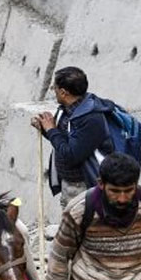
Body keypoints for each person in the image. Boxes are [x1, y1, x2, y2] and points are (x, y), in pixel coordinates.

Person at [32, 66, 114, 207]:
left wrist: (51, 130)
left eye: (54, 88)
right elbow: (64, 142)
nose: (54, 91)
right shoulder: (67, 110)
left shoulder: (90, 118)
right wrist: (45, 128)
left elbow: (71, 155)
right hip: (69, 184)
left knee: (79, 226)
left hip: (83, 187)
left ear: (63, 92)